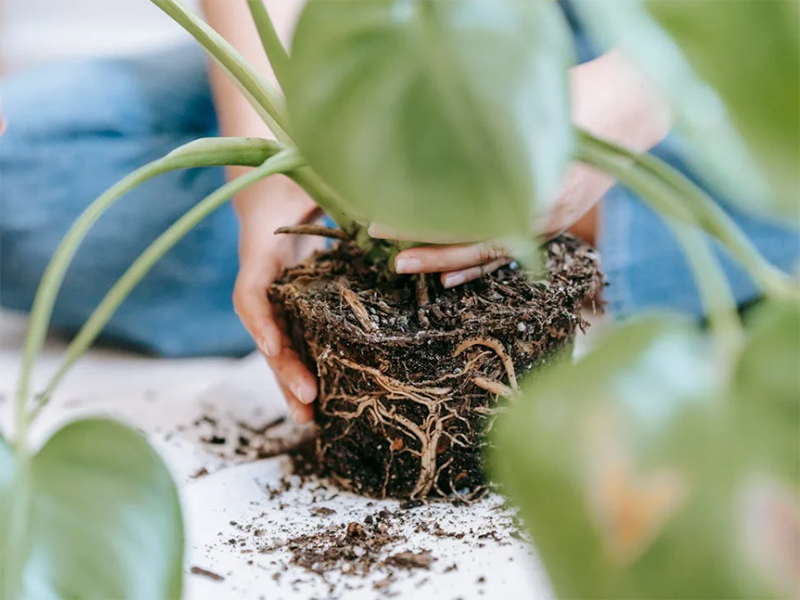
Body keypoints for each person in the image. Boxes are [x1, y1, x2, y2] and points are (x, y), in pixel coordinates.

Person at [1, 1, 798, 425]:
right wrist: (268, 150)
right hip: (414, 27)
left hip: (707, 42)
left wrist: (627, 105)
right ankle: (441, 196)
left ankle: (519, 213)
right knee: (20, 182)